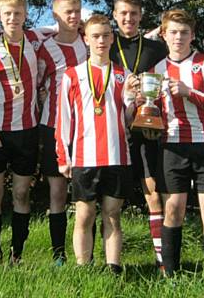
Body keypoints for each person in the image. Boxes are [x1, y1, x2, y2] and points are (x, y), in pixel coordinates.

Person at [150, 9, 204, 276]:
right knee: (173, 210)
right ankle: (171, 277)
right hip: (172, 146)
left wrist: (190, 92)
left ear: (193, 35)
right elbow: (150, 111)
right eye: (173, 32)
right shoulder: (157, 70)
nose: (178, 37)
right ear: (164, 35)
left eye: (184, 32)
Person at [55, 14, 137, 274]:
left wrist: (133, 101)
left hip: (117, 155)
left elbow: (129, 120)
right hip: (83, 157)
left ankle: (113, 269)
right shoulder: (72, 75)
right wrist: (62, 157)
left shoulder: (125, 75)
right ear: (86, 39)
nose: (101, 41)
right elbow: (63, 120)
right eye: (95, 36)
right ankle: (83, 269)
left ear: (112, 39)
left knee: (112, 214)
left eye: (105, 36)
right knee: (84, 214)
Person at [0, 0, 44, 263]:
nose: (13, 18)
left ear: (25, 14)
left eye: (18, 13)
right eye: (7, 14)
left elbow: (65, 25)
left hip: (27, 131)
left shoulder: (35, 39)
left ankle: (17, 255)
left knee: (21, 193)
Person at [109, 0, 167, 268]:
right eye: (123, 13)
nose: (128, 18)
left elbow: (167, 85)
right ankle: (112, 263)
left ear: (141, 15)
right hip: (112, 132)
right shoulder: (104, 45)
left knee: (153, 195)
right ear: (114, 16)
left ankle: (162, 263)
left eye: (133, 13)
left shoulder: (157, 49)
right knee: (112, 201)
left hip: (146, 130)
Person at [36, 0, 87, 265]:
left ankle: (85, 254)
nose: (73, 16)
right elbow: (36, 84)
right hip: (52, 127)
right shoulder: (45, 48)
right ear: (55, 15)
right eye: (67, 11)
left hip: (84, 129)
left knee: (84, 195)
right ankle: (58, 255)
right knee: (56, 192)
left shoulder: (87, 44)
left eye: (77, 11)